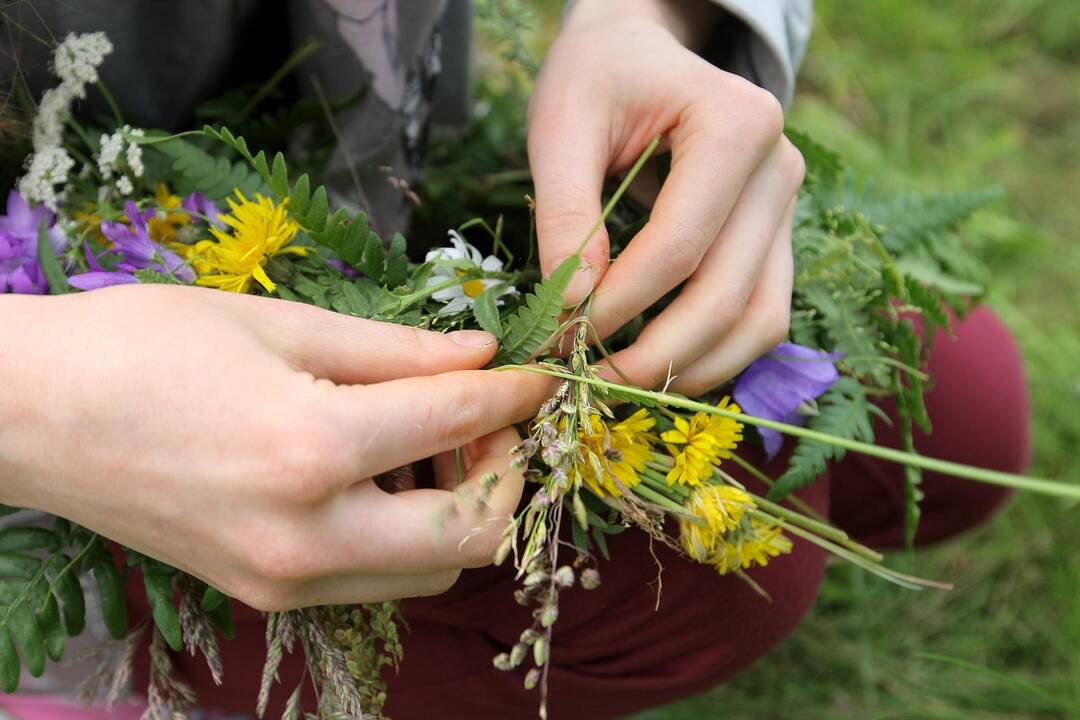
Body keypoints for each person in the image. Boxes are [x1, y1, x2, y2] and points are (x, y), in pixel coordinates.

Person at [0, 1, 1029, 718]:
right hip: (67, 353)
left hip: (347, 159)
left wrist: (647, 18)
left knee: (966, 402)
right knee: (710, 594)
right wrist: (35, 401)